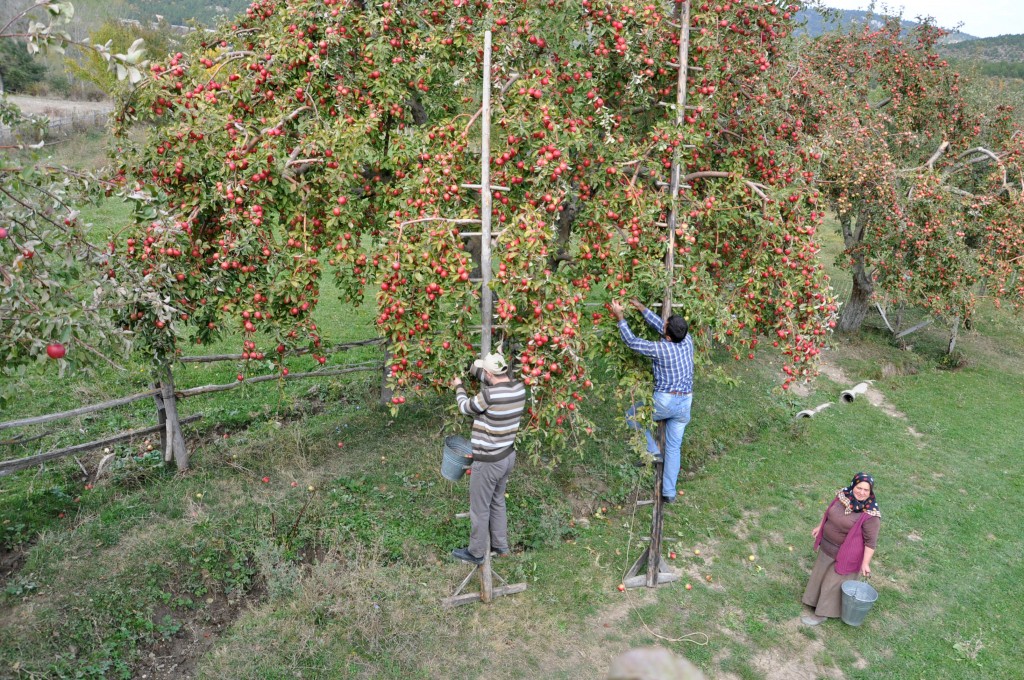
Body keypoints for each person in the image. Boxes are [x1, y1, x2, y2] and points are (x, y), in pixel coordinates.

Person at [609, 299, 694, 505]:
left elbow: (633, 342)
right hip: (685, 403)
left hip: (666, 401)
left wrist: (620, 317)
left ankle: (651, 450)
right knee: (674, 448)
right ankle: (669, 492)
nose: (663, 324)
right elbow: (663, 327)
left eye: (665, 326)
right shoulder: (687, 340)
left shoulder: (660, 350)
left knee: (632, 416)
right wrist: (643, 310)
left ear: (667, 336)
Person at [450, 351, 526, 565]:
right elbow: (492, 379)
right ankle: (501, 545)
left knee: (479, 508)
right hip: (507, 456)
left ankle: (475, 552)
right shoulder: (519, 388)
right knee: (497, 501)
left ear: (489, 374)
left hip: (488, 462)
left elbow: (465, 407)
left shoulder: (489, 396)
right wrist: (471, 367)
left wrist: (458, 386)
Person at [801, 472, 881, 626]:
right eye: (859, 488)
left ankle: (822, 613)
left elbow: (871, 542)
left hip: (847, 555)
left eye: (866, 490)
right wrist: (820, 527)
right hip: (827, 547)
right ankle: (812, 600)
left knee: (833, 583)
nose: (862, 492)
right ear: (853, 486)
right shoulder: (843, 496)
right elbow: (829, 512)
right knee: (820, 575)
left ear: (871, 492)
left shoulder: (871, 515)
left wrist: (865, 563)